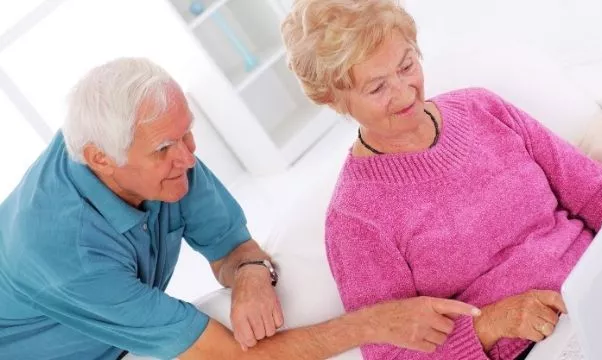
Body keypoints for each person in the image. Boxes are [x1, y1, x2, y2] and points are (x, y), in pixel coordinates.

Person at [281, 1, 602, 359]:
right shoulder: (355, 220)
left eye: (407, 64)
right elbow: (391, 354)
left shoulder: (480, 109)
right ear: (333, 99)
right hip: (546, 344)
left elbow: (593, 188)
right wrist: (491, 324)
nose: (405, 92)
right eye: (377, 87)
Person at [0, 58, 483, 360]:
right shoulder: (67, 256)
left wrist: (251, 272)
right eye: (166, 148)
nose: (188, 159)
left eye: (188, 133)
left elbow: (231, 245)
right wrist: (379, 322)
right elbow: (231, 357)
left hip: (117, 315)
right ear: (100, 160)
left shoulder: (149, 147)